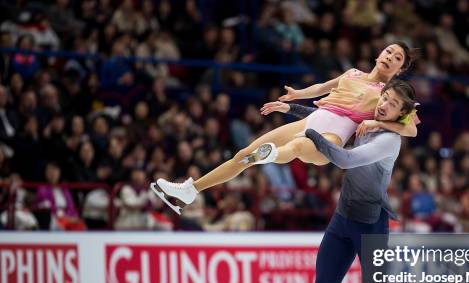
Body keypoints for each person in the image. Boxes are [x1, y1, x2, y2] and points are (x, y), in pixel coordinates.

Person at [271, 78, 418, 283]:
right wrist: (294, 110)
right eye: (386, 98)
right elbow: (328, 121)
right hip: (342, 218)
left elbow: (345, 159)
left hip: (371, 223)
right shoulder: (363, 123)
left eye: (393, 104)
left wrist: (309, 136)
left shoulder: (390, 141)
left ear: (402, 114)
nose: (384, 104)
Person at [151, 43, 418, 214]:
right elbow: (322, 88)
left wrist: (375, 121)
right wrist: (296, 94)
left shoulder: (391, 93)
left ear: (399, 69)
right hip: (312, 120)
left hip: (332, 136)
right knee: (243, 154)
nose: (390, 57)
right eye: (389, 51)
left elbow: (411, 130)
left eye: (397, 58)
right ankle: (190, 190)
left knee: (298, 147)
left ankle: (271, 155)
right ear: (378, 53)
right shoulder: (352, 74)